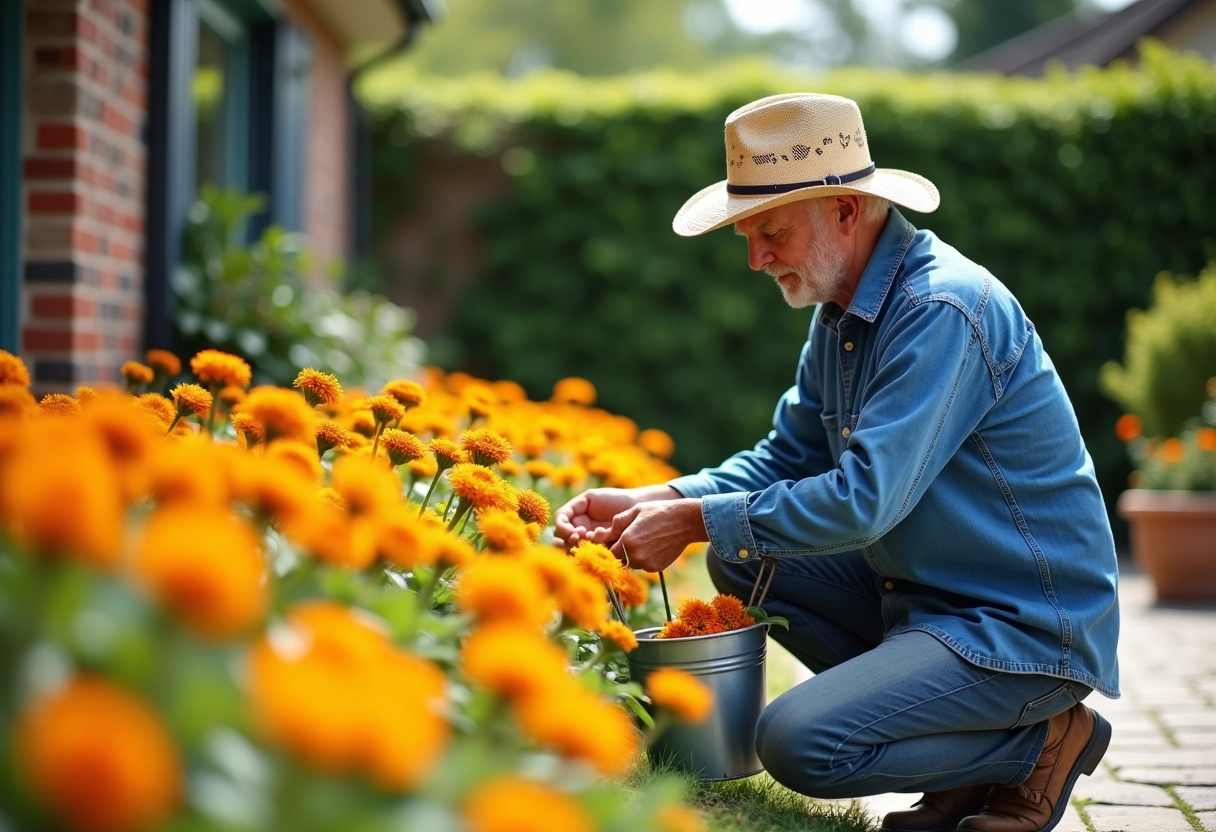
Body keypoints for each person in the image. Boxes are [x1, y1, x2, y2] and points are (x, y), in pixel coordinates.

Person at [555, 93, 1119, 832]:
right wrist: (653, 498)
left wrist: (694, 520)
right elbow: (783, 457)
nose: (756, 259)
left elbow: (863, 501)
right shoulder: (844, 315)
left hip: (1022, 625)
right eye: (747, 236)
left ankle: (1038, 742)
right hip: (930, 599)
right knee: (743, 561)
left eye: (771, 232)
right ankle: (967, 771)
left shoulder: (941, 310)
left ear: (846, 211)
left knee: (797, 743)